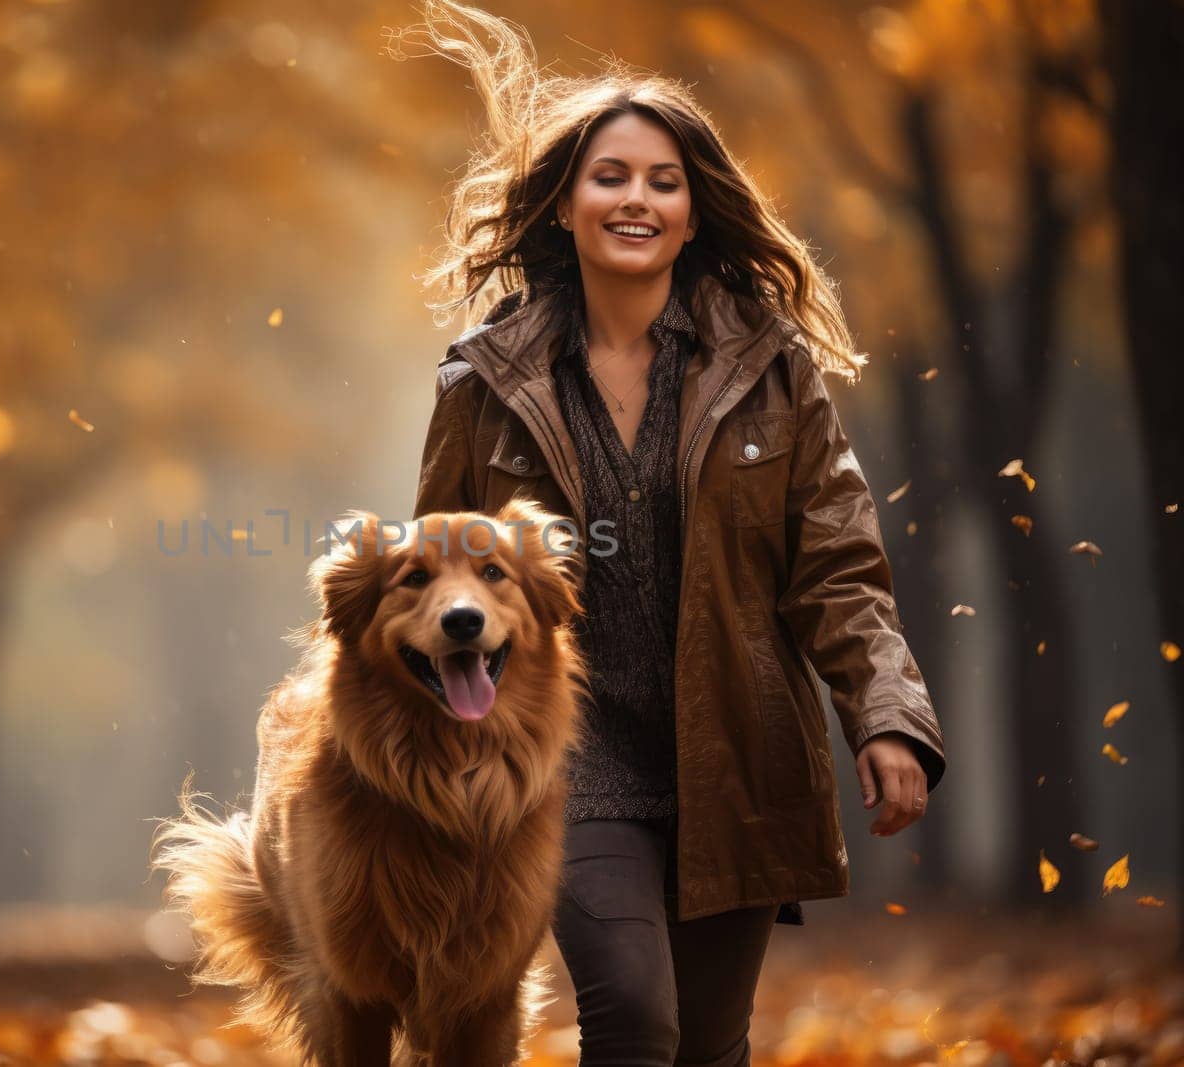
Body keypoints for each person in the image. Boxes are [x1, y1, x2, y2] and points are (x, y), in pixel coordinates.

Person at [395, 3, 947, 1064]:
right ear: (563, 205)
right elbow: (435, 585)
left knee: (706, 1041)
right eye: (609, 176)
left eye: (663, 180)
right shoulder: (482, 383)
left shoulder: (772, 369)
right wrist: (419, 775)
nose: (636, 198)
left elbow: (836, 562)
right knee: (634, 1017)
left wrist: (885, 714)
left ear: (695, 213)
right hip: (561, 750)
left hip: (731, 746)